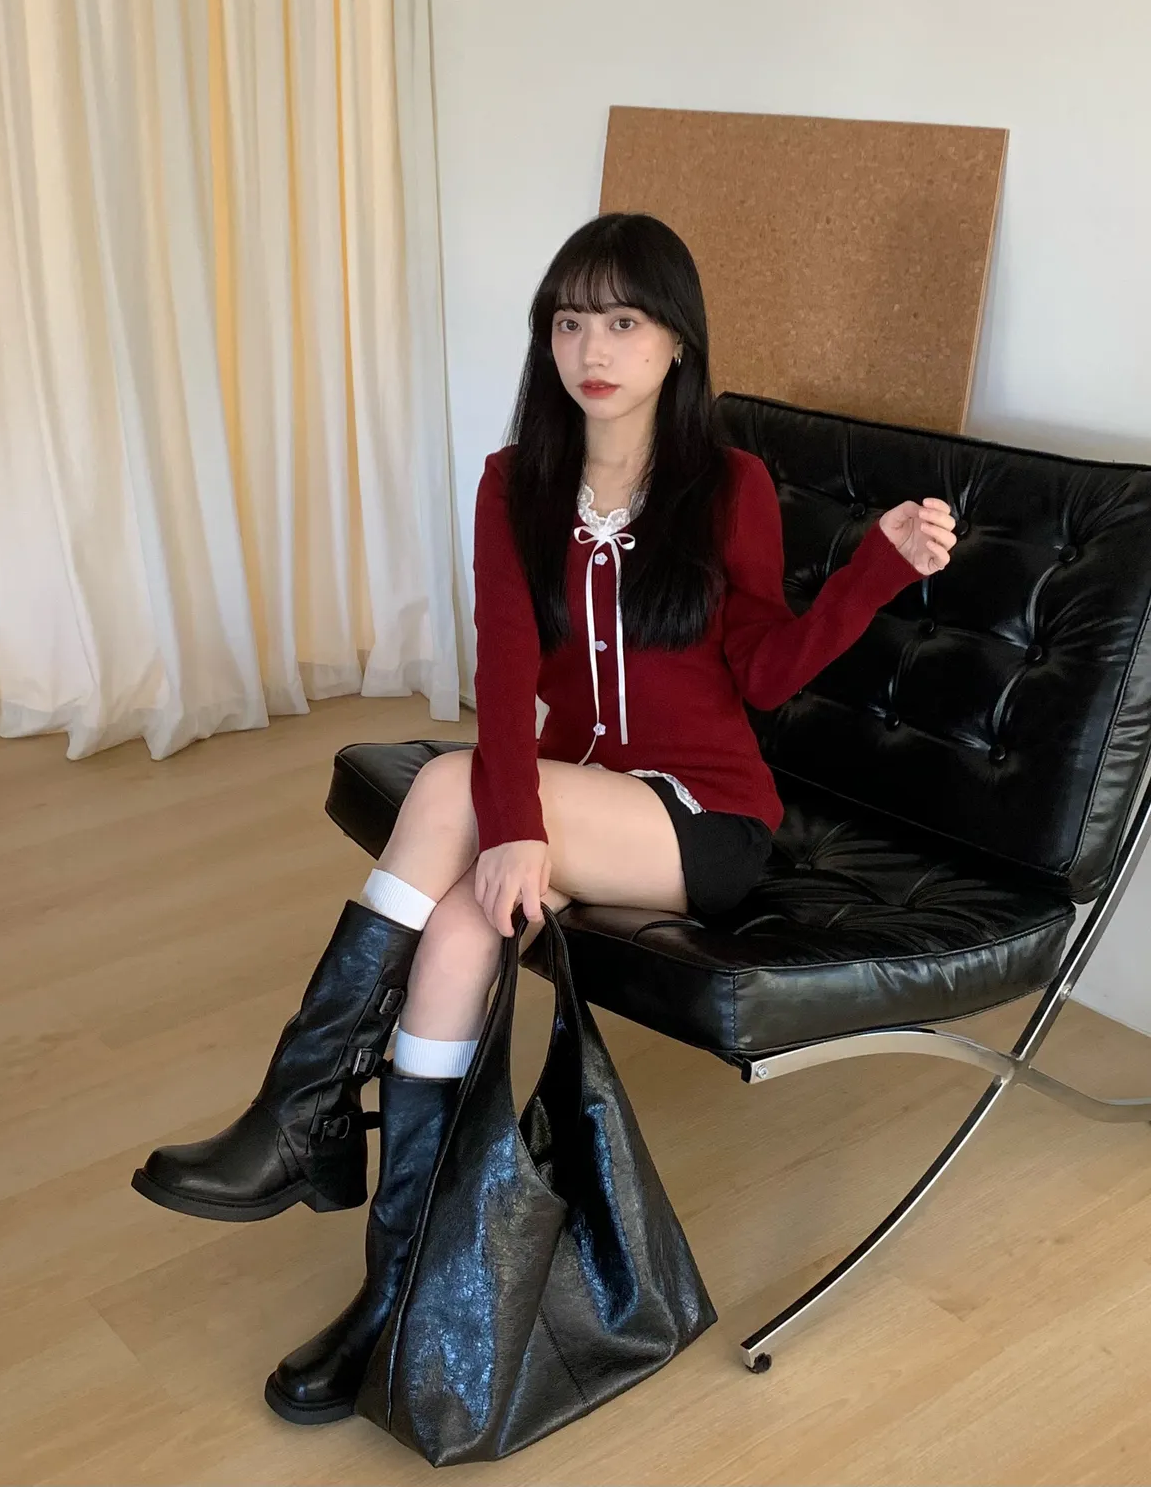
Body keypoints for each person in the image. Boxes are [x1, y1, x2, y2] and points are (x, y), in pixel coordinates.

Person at [131, 211, 957, 1425]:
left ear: (677, 341)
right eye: (570, 322)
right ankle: (395, 1292)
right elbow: (507, 669)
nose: (593, 348)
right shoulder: (512, 485)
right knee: (462, 932)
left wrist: (874, 566)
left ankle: (300, 1111)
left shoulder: (728, 487)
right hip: (573, 795)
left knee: (447, 790)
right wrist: (517, 822)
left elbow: (765, 670)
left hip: (698, 816)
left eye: (622, 320)